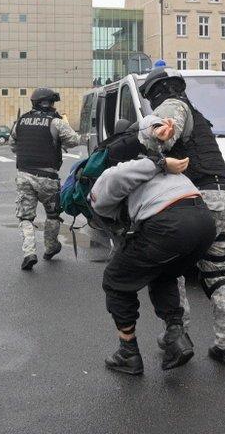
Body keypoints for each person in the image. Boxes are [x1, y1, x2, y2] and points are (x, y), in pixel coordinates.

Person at [137, 66, 225, 367]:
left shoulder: (173, 106)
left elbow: (163, 136)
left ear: (154, 93)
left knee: (172, 270)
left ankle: (177, 335)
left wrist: (154, 136)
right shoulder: (198, 114)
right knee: (217, 276)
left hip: (199, 200)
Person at [89, 139, 216, 374]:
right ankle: (176, 337)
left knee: (115, 280)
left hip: (170, 223)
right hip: (204, 222)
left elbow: (102, 205)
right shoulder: (165, 171)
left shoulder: (120, 170)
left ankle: (128, 353)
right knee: (163, 274)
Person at [10, 87, 80, 270]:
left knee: (25, 217)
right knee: (53, 214)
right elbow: (74, 141)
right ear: (49, 103)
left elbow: (13, 146)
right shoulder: (55, 122)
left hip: (24, 175)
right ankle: (50, 248)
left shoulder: (21, 121)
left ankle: (29, 252)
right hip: (48, 177)